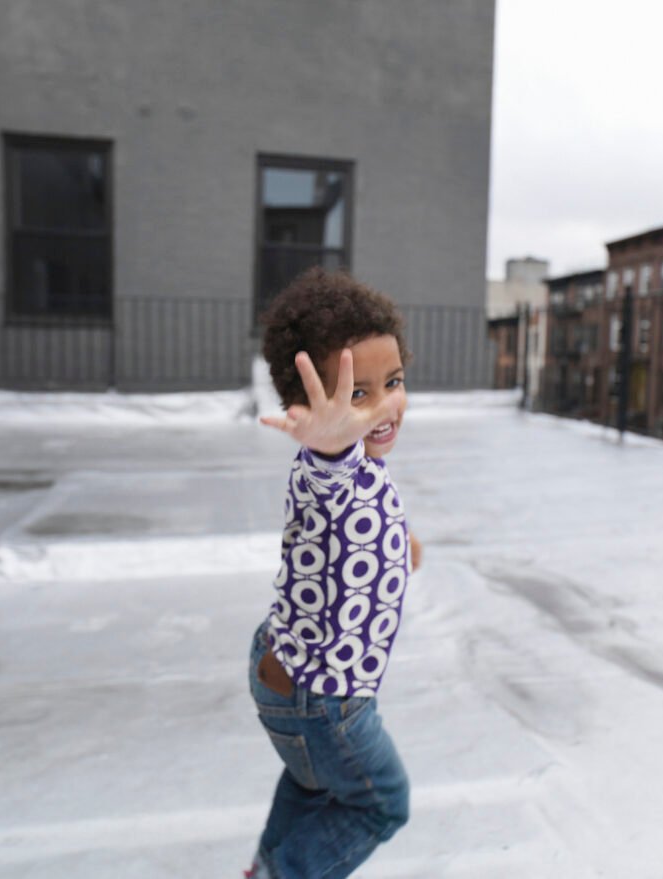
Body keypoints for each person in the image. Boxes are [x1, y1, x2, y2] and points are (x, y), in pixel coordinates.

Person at [246, 268, 420, 879]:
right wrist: (326, 445)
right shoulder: (328, 466)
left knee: (316, 784)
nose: (384, 406)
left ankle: (269, 864)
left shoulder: (367, 464)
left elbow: (360, 517)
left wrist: (402, 544)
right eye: (356, 394)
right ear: (308, 409)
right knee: (380, 804)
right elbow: (330, 485)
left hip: (294, 673)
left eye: (392, 382)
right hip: (323, 696)